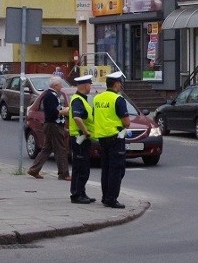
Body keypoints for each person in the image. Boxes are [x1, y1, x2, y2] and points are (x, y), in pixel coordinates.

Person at [92, 71, 130, 209]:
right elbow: (126, 122)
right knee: (117, 170)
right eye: (120, 83)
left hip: (102, 137)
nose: (120, 86)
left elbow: (94, 115)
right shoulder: (118, 99)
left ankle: (105, 196)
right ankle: (111, 198)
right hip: (115, 137)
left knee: (106, 169)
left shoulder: (97, 98)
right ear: (116, 84)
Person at [26, 76, 70, 181]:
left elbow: (54, 109)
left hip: (51, 125)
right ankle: (64, 173)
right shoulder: (50, 96)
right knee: (61, 150)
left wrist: (62, 109)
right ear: (55, 85)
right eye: (60, 84)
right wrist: (64, 111)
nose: (62, 86)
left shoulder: (52, 95)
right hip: (53, 125)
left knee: (46, 149)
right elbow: (52, 112)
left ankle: (34, 169)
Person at [67, 75, 95, 204]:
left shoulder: (81, 99)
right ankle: (76, 195)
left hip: (82, 139)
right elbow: (77, 118)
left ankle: (81, 192)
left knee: (83, 168)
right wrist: (86, 131)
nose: (91, 87)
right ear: (85, 85)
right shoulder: (78, 100)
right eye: (90, 84)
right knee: (80, 168)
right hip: (80, 138)